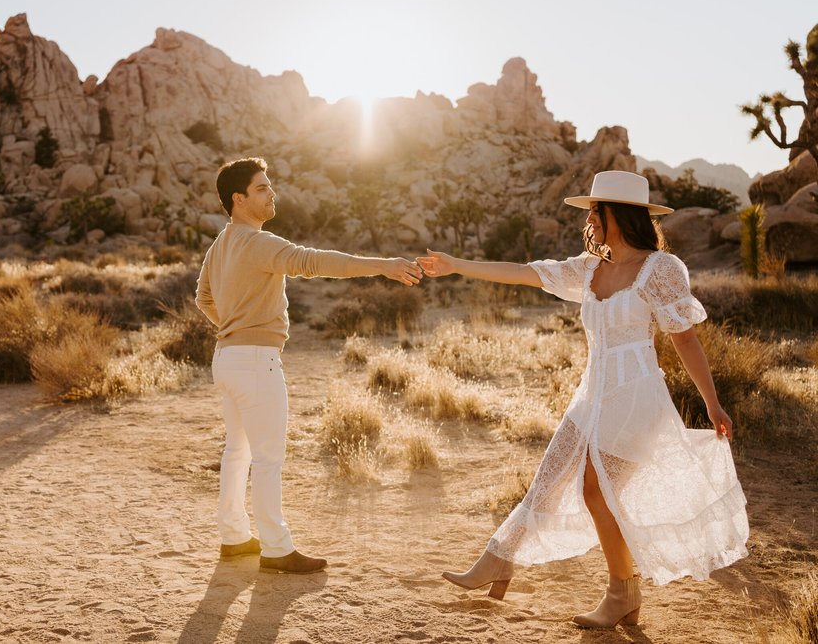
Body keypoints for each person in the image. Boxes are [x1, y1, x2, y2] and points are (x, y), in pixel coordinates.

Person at [417, 170, 749, 628]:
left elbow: (685, 340)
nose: (589, 218)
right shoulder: (590, 267)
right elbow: (525, 274)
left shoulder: (661, 270)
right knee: (549, 478)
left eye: (596, 209)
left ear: (619, 214)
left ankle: (622, 594)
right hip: (593, 391)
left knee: (597, 490)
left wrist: (711, 402)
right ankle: (500, 558)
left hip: (635, 397)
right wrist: (457, 264)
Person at [195, 157, 423, 575]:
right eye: (262, 188)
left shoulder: (221, 244)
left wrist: (231, 327)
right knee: (267, 458)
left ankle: (232, 537)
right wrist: (384, 266)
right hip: (254, 361)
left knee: (237, 451)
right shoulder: (256, 243)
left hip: (227, 357)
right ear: (239, 199)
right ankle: (277, 549)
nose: (272, 193)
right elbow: (316, 262)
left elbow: (203, 299)